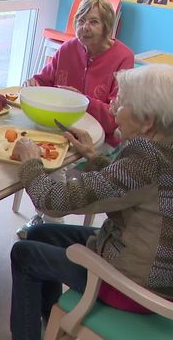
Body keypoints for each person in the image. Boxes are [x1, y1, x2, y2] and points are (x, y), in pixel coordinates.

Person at [10, 63, 173, 340]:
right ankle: (53, 318)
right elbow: (128, 189)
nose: (112, 109)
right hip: (158, 271)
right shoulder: (162, 149)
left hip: (134, 286)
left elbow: (53, 201)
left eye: (121, 103)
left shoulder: (145, 160)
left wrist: (31, 163)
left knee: (23, 254)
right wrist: (92, 155)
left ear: (147, 121)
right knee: (39, 233)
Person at [17, 0, 134, 238]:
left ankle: (50, 225)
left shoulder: (123, 57)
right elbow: (45, 80)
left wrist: (84, 99)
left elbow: (114, 118)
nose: (84, 27)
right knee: (41, 149)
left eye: (93, 22)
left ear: (107, 26)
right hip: (60, 128)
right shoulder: (68, 48)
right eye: (80, 20)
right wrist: (34, 82)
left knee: (56, 163)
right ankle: (46, 217)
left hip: (100, 139)